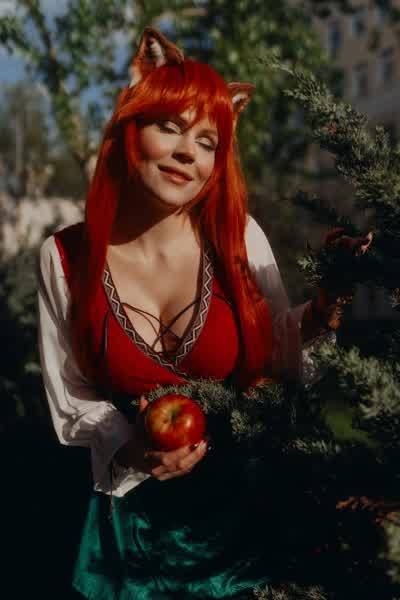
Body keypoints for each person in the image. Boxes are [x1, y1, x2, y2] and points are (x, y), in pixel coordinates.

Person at [37, 27, 372, 600]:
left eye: (207, 140)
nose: (187, 152)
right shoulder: (65, 256)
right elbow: (72, 394)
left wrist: (329, 302)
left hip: (247, 527)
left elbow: (279, 352)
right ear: (130, 128)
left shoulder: (237, 237)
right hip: (132, 540)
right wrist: (129, 445)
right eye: (169, 127)